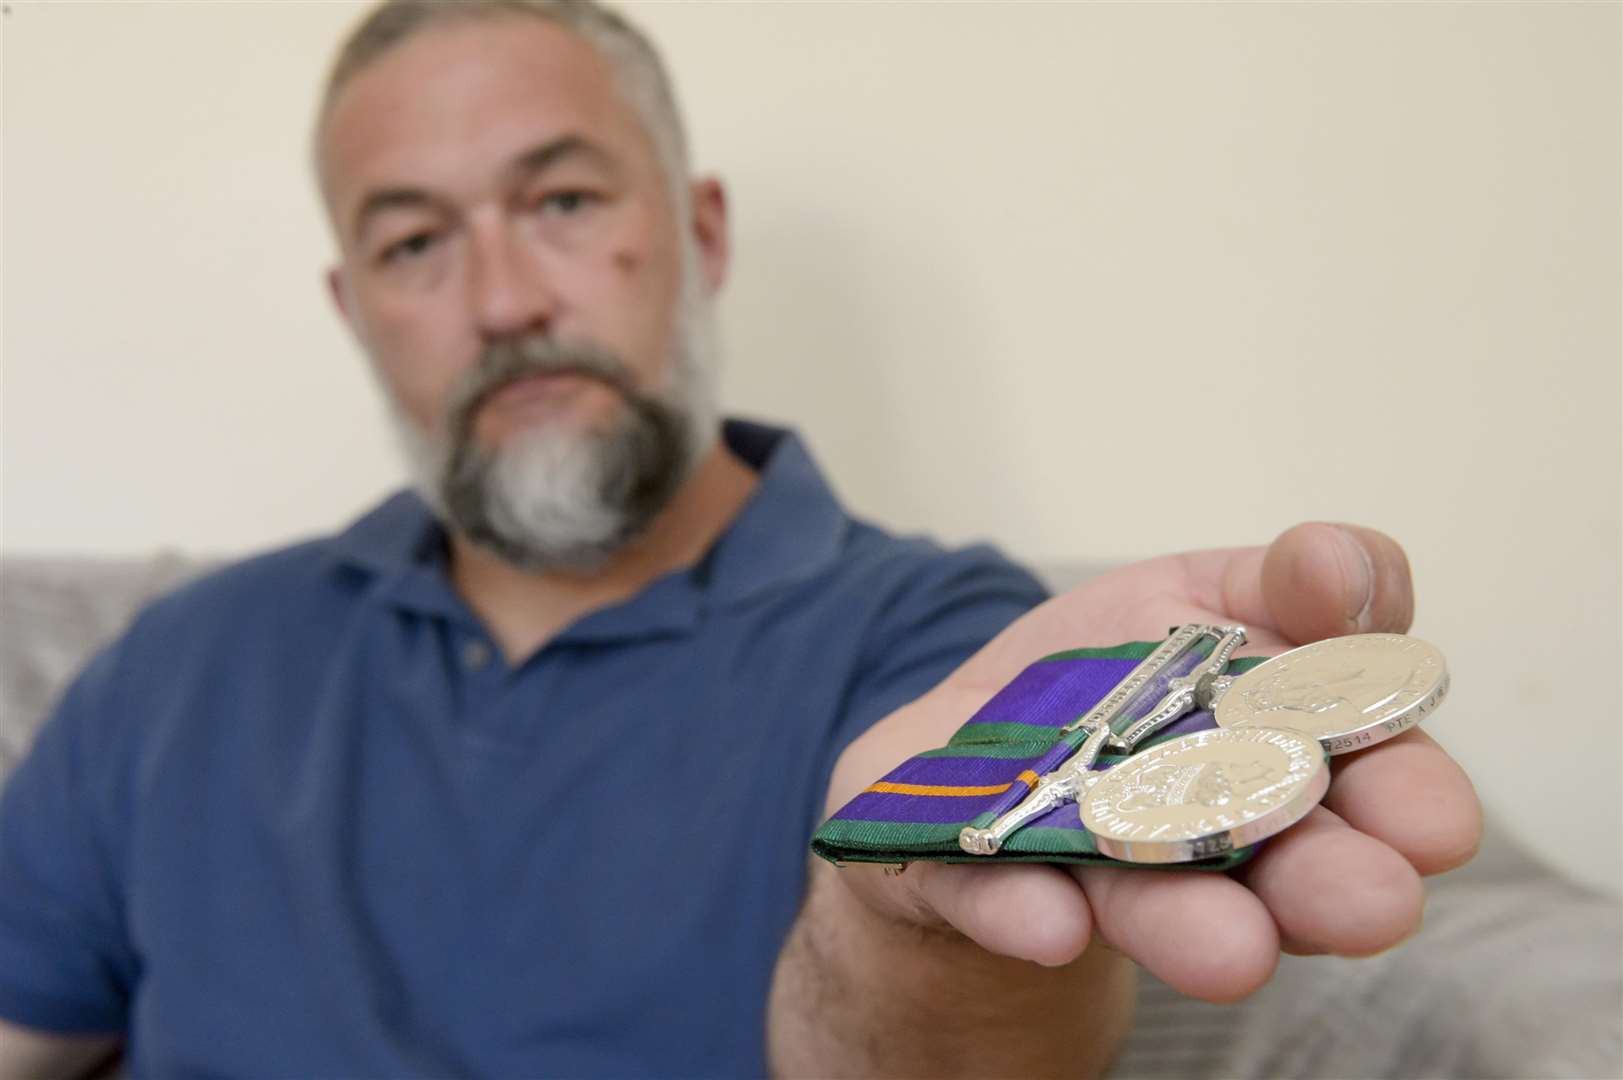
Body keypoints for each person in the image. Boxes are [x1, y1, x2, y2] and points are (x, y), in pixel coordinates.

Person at [0, 2, 1486, 1076]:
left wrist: (900, 918)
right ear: (354, 311)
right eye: (413, 242)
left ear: (702, 235)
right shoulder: (183, 663)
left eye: (563, 199)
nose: (506, 298)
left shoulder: (935, 640)